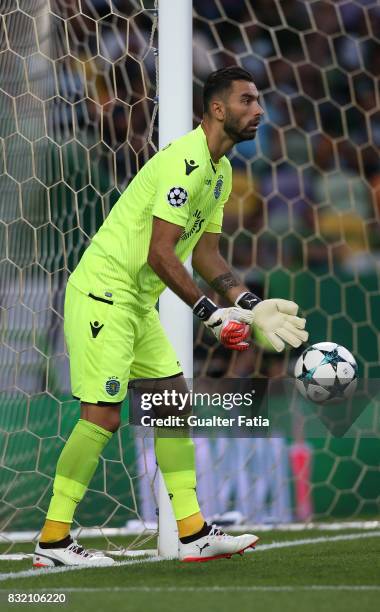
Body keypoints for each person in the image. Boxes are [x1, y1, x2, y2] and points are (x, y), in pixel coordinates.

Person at [33, 66, 308, 567]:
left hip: (135, 303)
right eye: (247, 100)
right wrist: (210, 314)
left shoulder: (221, 172)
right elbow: (163, 254)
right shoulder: (185, 162)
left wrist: (249, 306)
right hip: (103, 294)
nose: (259, 110)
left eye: (259, 100)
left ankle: (192, 532)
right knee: (103, 416)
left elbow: (207, 257)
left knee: (172, 406)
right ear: (218, 109)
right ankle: (52, 542)